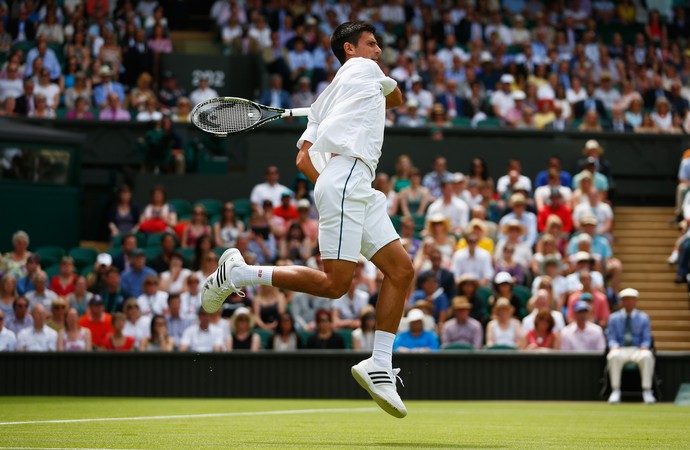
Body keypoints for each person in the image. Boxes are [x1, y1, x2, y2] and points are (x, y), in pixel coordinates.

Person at [200, 21, 410, 418]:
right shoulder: (364, 70)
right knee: (335, 286)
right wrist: (339, 183)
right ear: (350, 49)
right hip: (349, 177)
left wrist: (331, 181)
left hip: (351, 181)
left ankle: (379, 364)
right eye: (371, 44)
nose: (378, 51)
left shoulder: (325, 102)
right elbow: (398, 97)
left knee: (401, 271)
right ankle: (239, 274)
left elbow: (302, 161)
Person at [606, 288, 656, 404]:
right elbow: (611, 337)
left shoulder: (644, 317)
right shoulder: (613, 318)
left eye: (631, 300)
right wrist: (613, 345)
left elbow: (646, 337)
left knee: (647, 356)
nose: (629, 302)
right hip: (621, 349)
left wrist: (644, 346)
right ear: (621, 302)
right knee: (613, 356)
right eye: (626, 300)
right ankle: (615, 390)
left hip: (637, 349)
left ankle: (647, 391)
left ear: (635, 302)